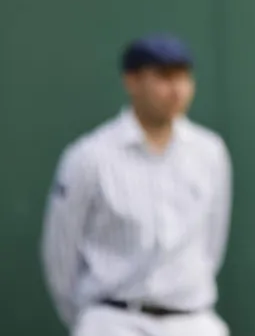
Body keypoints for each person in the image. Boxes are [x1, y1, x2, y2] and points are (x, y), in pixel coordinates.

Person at [40, 33, 233, 336]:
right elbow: (60, 255)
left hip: (193, 321)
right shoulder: (88, 157)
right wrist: (90, 320)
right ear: (132, 81)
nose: (176, 89)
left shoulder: (211, 152)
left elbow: (212, 244)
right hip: (113, 321)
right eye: (163, 77)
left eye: (183, 77)